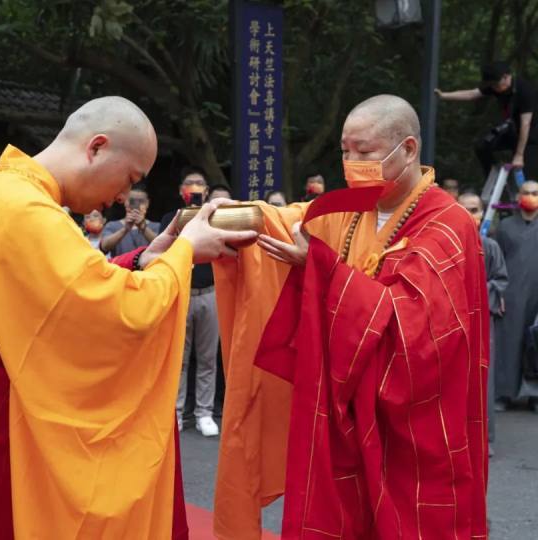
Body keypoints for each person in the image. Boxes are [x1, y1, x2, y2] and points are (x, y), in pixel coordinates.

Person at [0, 96, 256, 539]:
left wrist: (147, 258)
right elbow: (117, 313)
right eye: (129, 178)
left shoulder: (6, 187)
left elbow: (67, 286)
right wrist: (186, 251)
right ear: (96, 148)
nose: (121, 197)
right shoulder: (21, 208)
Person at [212, 95, 488, 538]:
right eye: (345, 151)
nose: (351, 162)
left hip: (413, 429)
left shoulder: (449, 225)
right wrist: (216, 219)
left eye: (365, 152)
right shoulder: (346, 211)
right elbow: (284, 222)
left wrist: (322, 269)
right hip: (342, 415)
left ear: (409, 149)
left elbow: (420, 332)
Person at [160, 166, 220, 437]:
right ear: (181, 190)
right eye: (189, 184)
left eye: (199, 184)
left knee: (207, 357)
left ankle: (204, 413)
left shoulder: (217, 219)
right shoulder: (169, 218)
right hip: (182, 291)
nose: (194, 188)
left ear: (206, 191)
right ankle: (175, 410)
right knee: (179, 358)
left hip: (209, 292)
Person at [458, 192, 508, 455]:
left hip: (482, 321)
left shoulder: (490, 246)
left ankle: (484, 437)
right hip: (451, 321)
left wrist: (479, 291)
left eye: (475, 210)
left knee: (482, 378)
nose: (470, 215)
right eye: (465, 209)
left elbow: (501, 280)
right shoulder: (446, 244)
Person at [436, 60, 538, 179]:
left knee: (526, 172)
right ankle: (493, 177)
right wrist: (444, 95)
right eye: (491, 85)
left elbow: (526, 124)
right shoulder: (496, 87)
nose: (494, 88)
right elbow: (471, 94)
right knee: (482, 146)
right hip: (513, 130)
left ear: (506, 77)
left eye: (495, 84)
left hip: (531, 136)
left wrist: (519, 155)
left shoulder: (524, 90)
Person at [494, 180, 538, 411]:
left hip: (536, 294)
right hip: (511, 294)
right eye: (527, 192)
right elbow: (497, 262)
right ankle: (504, 393)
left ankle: (534, 395)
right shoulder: (506, 226)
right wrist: (498, 293)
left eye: (535, 193)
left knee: (537, 344)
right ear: (519, 196)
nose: (530, 196)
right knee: (508, 343)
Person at [100, 184, 159, 257]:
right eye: (132, 201)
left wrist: (144, 228)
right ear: (125, 202)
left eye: (141, 201)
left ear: (147, 203)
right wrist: (125, 229)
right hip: (119, 267)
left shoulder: (157, 226)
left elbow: (163, 247)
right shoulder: (112, 225)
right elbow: (104, 247)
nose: (136, 204)